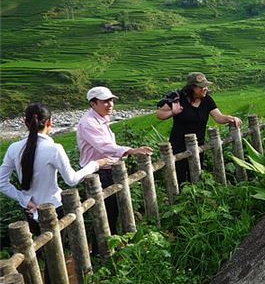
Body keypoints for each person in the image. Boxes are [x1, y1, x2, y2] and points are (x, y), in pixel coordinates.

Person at [0, 103, 113, 234]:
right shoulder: (54, 149)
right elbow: (71, 179)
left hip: (30, 210)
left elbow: (1, 183)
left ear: (25, 122)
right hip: (55, 208)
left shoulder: (14, 148)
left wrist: (24, 200)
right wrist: (95, 164)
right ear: (50, 122)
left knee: (39, 250)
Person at [77, 86, 152, 234]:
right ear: (93, 103)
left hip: (108, 169)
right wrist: (131, 150)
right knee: (104, 213)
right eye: (105, 101)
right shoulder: (89, 123)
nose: (110, 104)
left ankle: (113, 244)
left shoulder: (101, 119)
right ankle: (102, 252)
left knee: (113, 210)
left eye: (111, 100)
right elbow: (105, 147)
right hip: (98, 173)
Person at [156, 72, 241, 184]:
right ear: (192, 88)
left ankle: (196, 198)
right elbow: (159, 114)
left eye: (206, 86)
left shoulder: (207, 100)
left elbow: (218, 117)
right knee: (180, 176)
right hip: (178, 145)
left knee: (196, 173)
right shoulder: (178, 98)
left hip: (198, 144)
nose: (205, 89)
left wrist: (230, 118)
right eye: (201, 87)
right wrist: (173, 112)